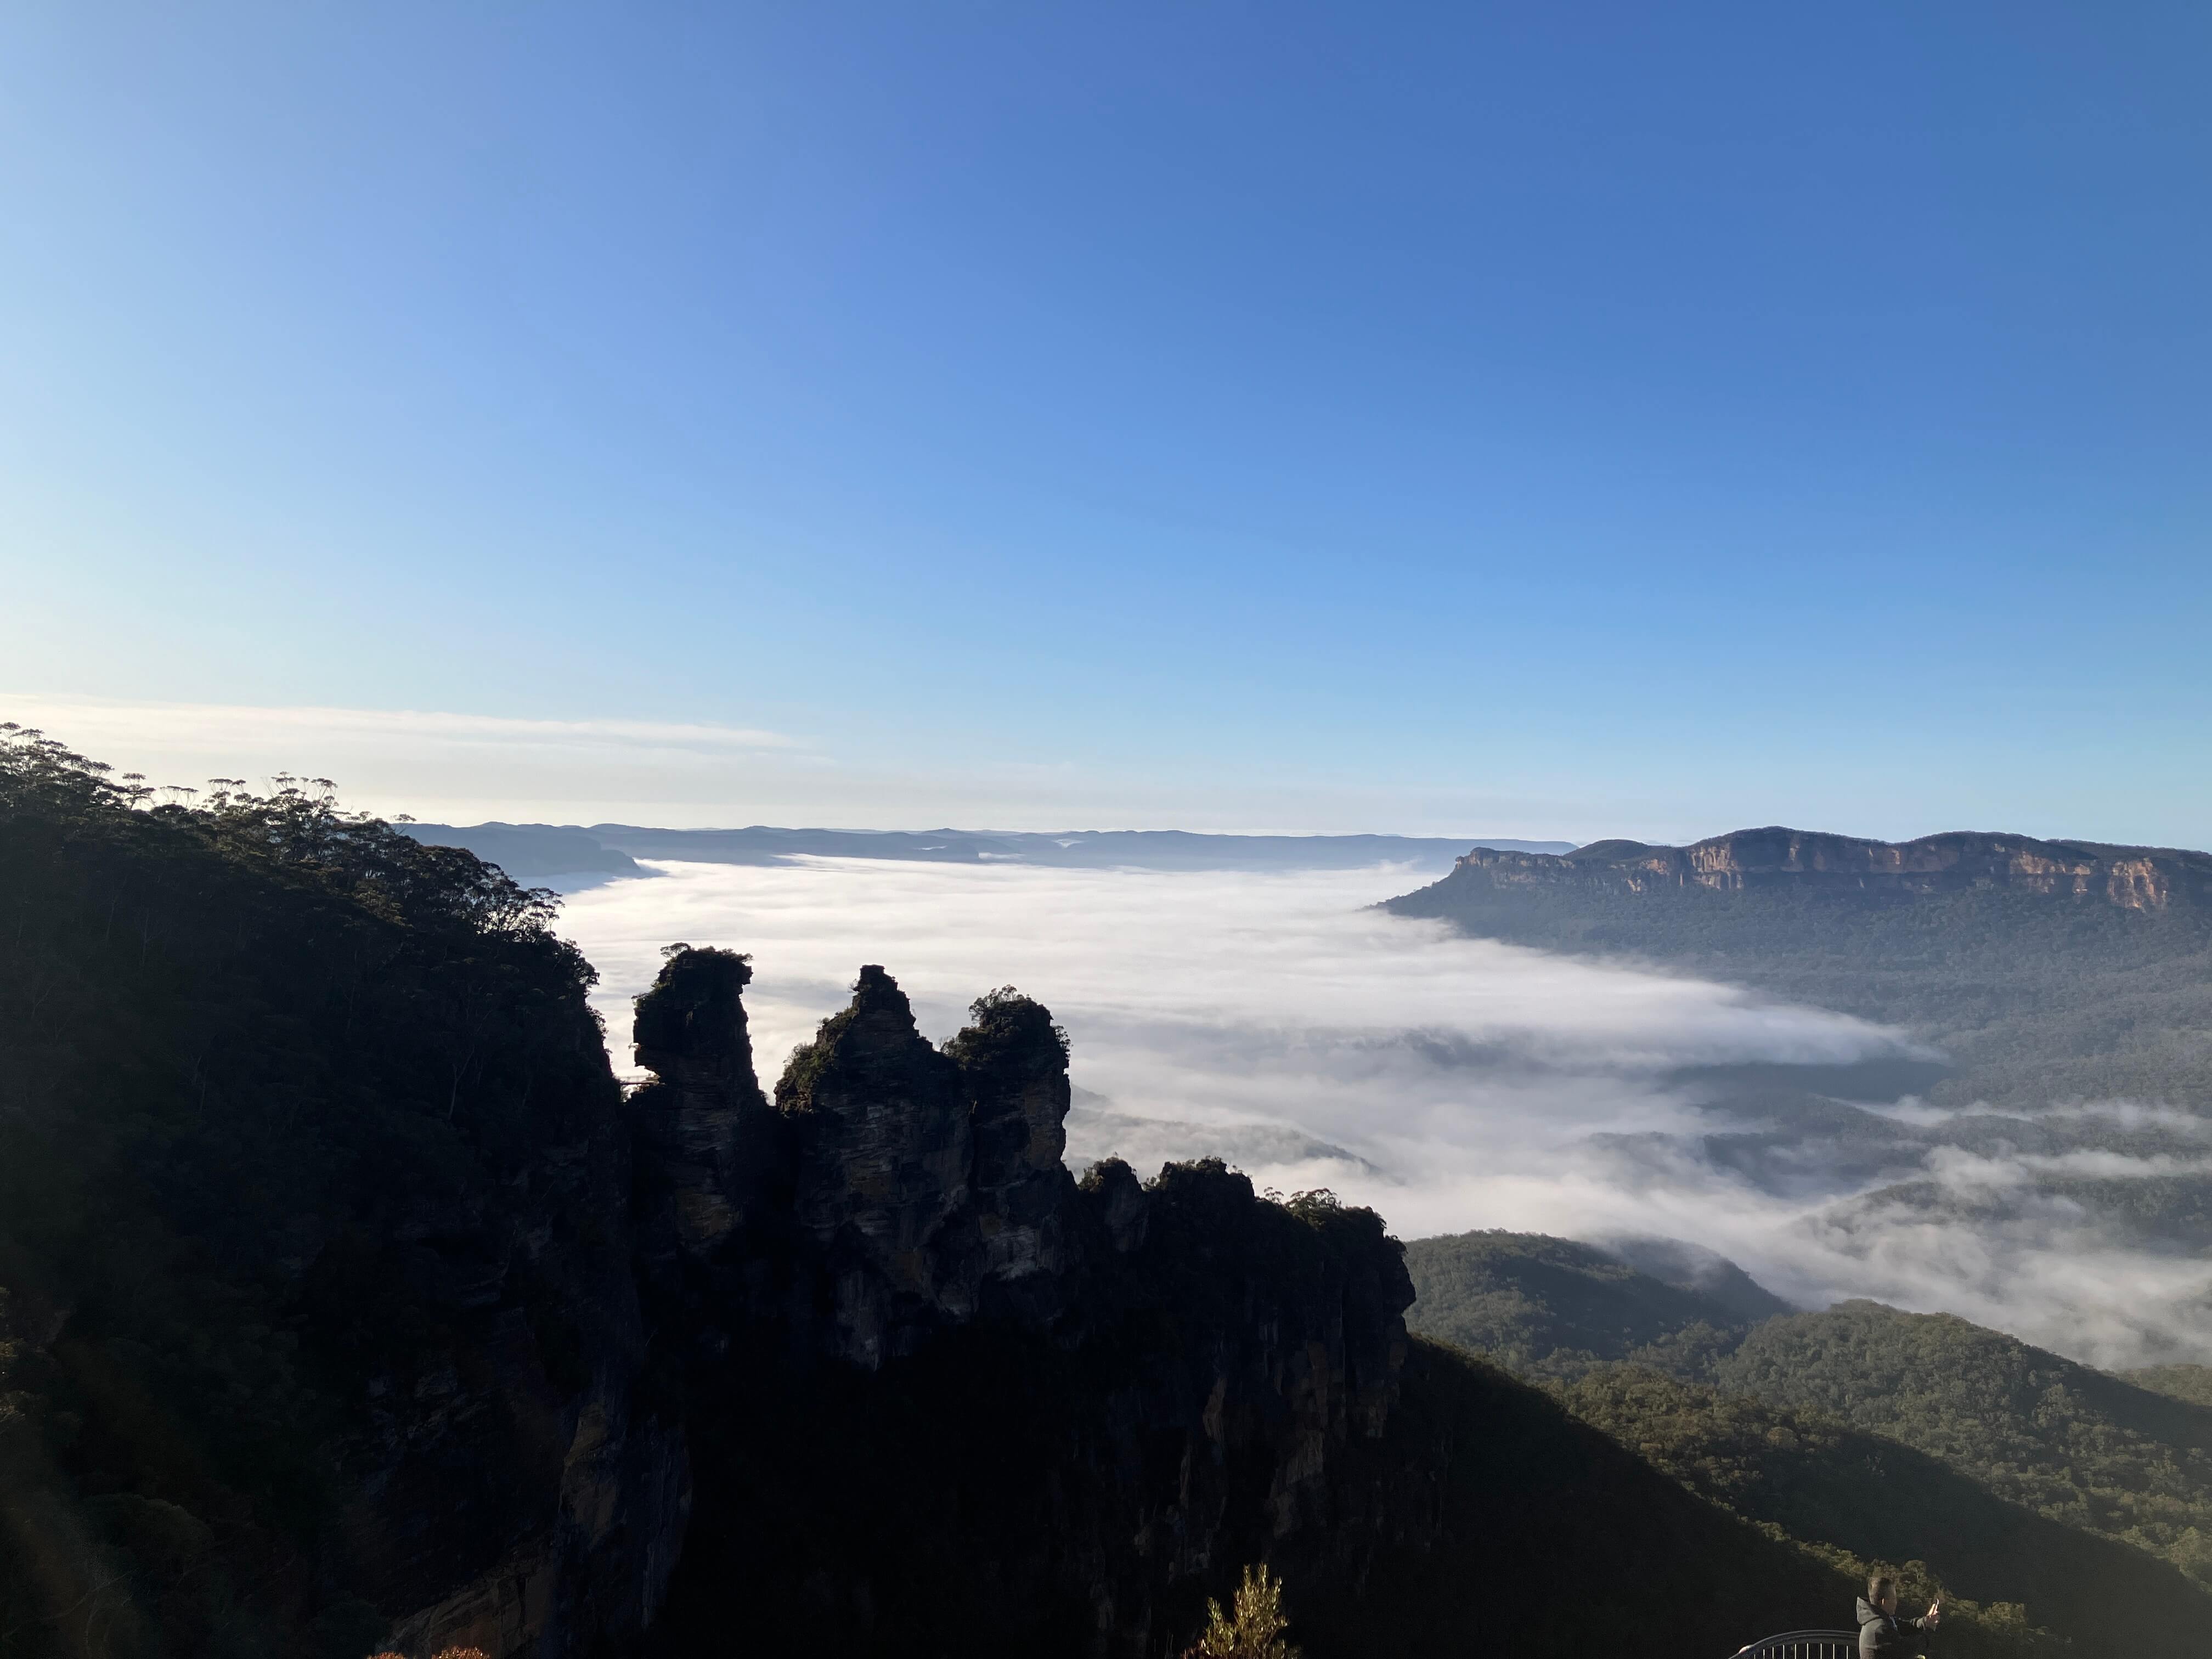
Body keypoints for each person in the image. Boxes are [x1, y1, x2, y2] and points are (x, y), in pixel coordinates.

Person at [1857, 1573, 1942, 1658]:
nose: (1896, 1602)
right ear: (1884, 1602)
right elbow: (1908, 1651)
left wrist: (1926, 1621)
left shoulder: (1881, 1621)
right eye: (1894, 1598)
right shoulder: (1880, 1628)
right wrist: (1929, 1630)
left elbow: (1908, 1627)